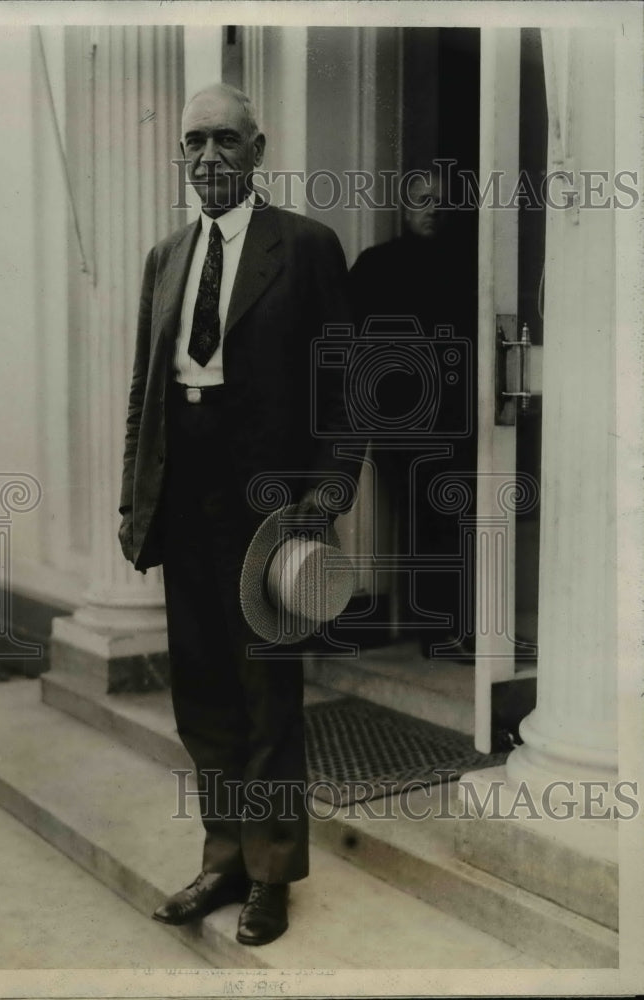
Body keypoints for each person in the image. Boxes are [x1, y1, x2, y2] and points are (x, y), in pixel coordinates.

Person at [118, 83, 358, 946]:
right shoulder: (165, 257)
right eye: (194, 143)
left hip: (271, 507)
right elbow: (145, 393)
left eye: (225, 141)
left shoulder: (306, 247)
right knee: (202, 694)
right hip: (185, 496)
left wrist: (325, 498)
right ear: (181, 156)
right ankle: (222, 858)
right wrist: (133, 504)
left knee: (267, 692)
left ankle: (270, 875)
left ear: (258, 150)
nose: (208, 158)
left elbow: (344, 386)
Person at [350, 169, 478, 659]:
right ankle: (440, 631)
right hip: (402, 420)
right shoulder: (377, 265)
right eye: (423, 199)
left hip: (460, 415)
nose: (433, 208)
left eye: (441, 200)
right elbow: (349, 340)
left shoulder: (471, 265)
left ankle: (451, 629)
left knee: (455, 517)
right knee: (429, 520)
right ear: (404, 208)